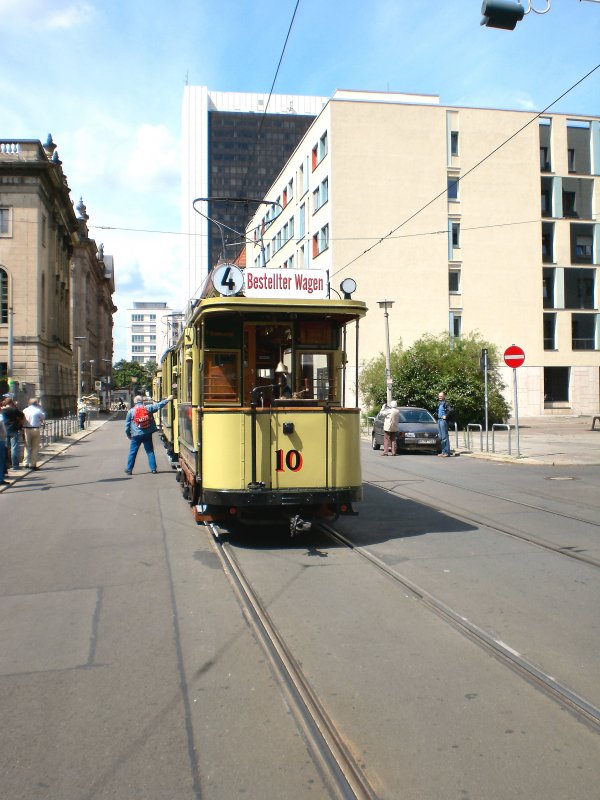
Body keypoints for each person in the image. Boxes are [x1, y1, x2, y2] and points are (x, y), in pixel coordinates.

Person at [124, 394, 173, 475]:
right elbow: (158, 405)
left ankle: (129, 470)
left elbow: (127, 426)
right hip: (147, 433)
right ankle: (153, 469)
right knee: (150, 451)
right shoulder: (148, 408)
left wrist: (128, 434)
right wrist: (167, 399)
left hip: (136, 435)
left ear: (135, 402)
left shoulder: (131, 411)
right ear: (142, 401)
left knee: (133, 452)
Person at [1, 397, 24, 471]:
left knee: (6, 449)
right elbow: (21, 417)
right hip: (14, 430)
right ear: (11, 403)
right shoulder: (15, 410)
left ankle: (6, 466)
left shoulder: (3, 410)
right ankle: (15, 466)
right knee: (14, 448)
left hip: (5, 431)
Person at [23, 397, 46, 470]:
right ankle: (32, 464)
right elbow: (43, 417)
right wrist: (40, 408)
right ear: (37, 403)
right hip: (35, 429)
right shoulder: (38, 410)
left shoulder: (25, 410)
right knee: (35, 447)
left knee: (27, 446)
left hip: (26, 429)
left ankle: (25, 463)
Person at [436, 391, 452, 457]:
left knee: (445, 437)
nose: (440, 397)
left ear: (444, 396)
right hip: (439, 420)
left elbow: (450, 410)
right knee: (441, 437)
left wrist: (446, 416)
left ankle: (447, 452)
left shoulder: (446, 403)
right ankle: (443, 451)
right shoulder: (439, 403)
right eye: (439, 396)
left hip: (443, 421)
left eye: (441, 396)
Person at [0, 413, 8, 485]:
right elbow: (4, 432)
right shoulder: (1, 418)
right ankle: (0, 479)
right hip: (0, 441)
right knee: (1, 460)